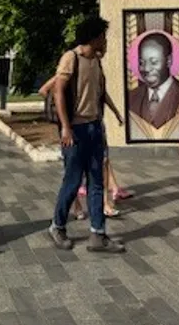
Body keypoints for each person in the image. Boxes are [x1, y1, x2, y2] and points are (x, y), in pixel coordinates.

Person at [48, 16, 126, 253]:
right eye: (103, 36)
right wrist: (65, 126)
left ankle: (98, 234)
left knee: (96, 182)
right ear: (94, 37)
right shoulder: (71, 58)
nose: (105, 41)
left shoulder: (96, 61)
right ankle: (58, 226)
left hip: (94, 128)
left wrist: (111, 116)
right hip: (75, 129)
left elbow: (100, 93)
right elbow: (58, 92)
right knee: (72, 181)